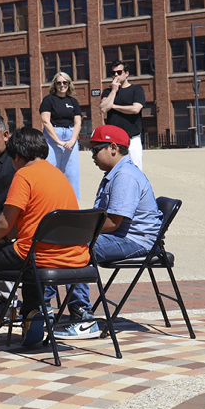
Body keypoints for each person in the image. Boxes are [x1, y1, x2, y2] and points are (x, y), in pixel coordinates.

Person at [0, 127, 87, 348]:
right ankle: (31, 311)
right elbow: (28, 223)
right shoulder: (58, 174)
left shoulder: (24, 175)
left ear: (17, 156)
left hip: (38, 256)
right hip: (73, 256)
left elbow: (5, 222)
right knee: (24, 257)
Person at [53, 125, 163, 340]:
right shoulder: (115, 173)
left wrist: (77, 230)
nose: (92, 155)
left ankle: (83, 319)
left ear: (113, 148)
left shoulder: (125, 176)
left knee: (76, 249)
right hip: (125, 236)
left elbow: (113, 222)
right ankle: (52, 308)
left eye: (95, 149)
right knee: (72, 244)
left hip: (136, 240)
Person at [40, 72, 83, 196]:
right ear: (55, 85)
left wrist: (73, 140)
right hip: (53, 135)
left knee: (71, 171)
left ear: (69, 84)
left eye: (65, 82)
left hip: (71, 135)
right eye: (59, 83)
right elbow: (45, 121)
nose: (62, 85)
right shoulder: (49, 99)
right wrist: (58, 141)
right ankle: (50, 198)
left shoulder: (73, 101)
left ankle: (71, 201)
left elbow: (78, 122)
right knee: (51, 169)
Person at [99, 61, 146, 169]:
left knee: (136, 168)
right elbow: (103, 108)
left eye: (119, 72)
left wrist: (114, 106)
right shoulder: (108, 92)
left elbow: (135, 109)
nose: (116, 75)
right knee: (114, 169)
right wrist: (114, 90)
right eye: (113, 73)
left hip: (132, 138)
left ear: (126, 73)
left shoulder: (136, 90)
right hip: (113, 140)